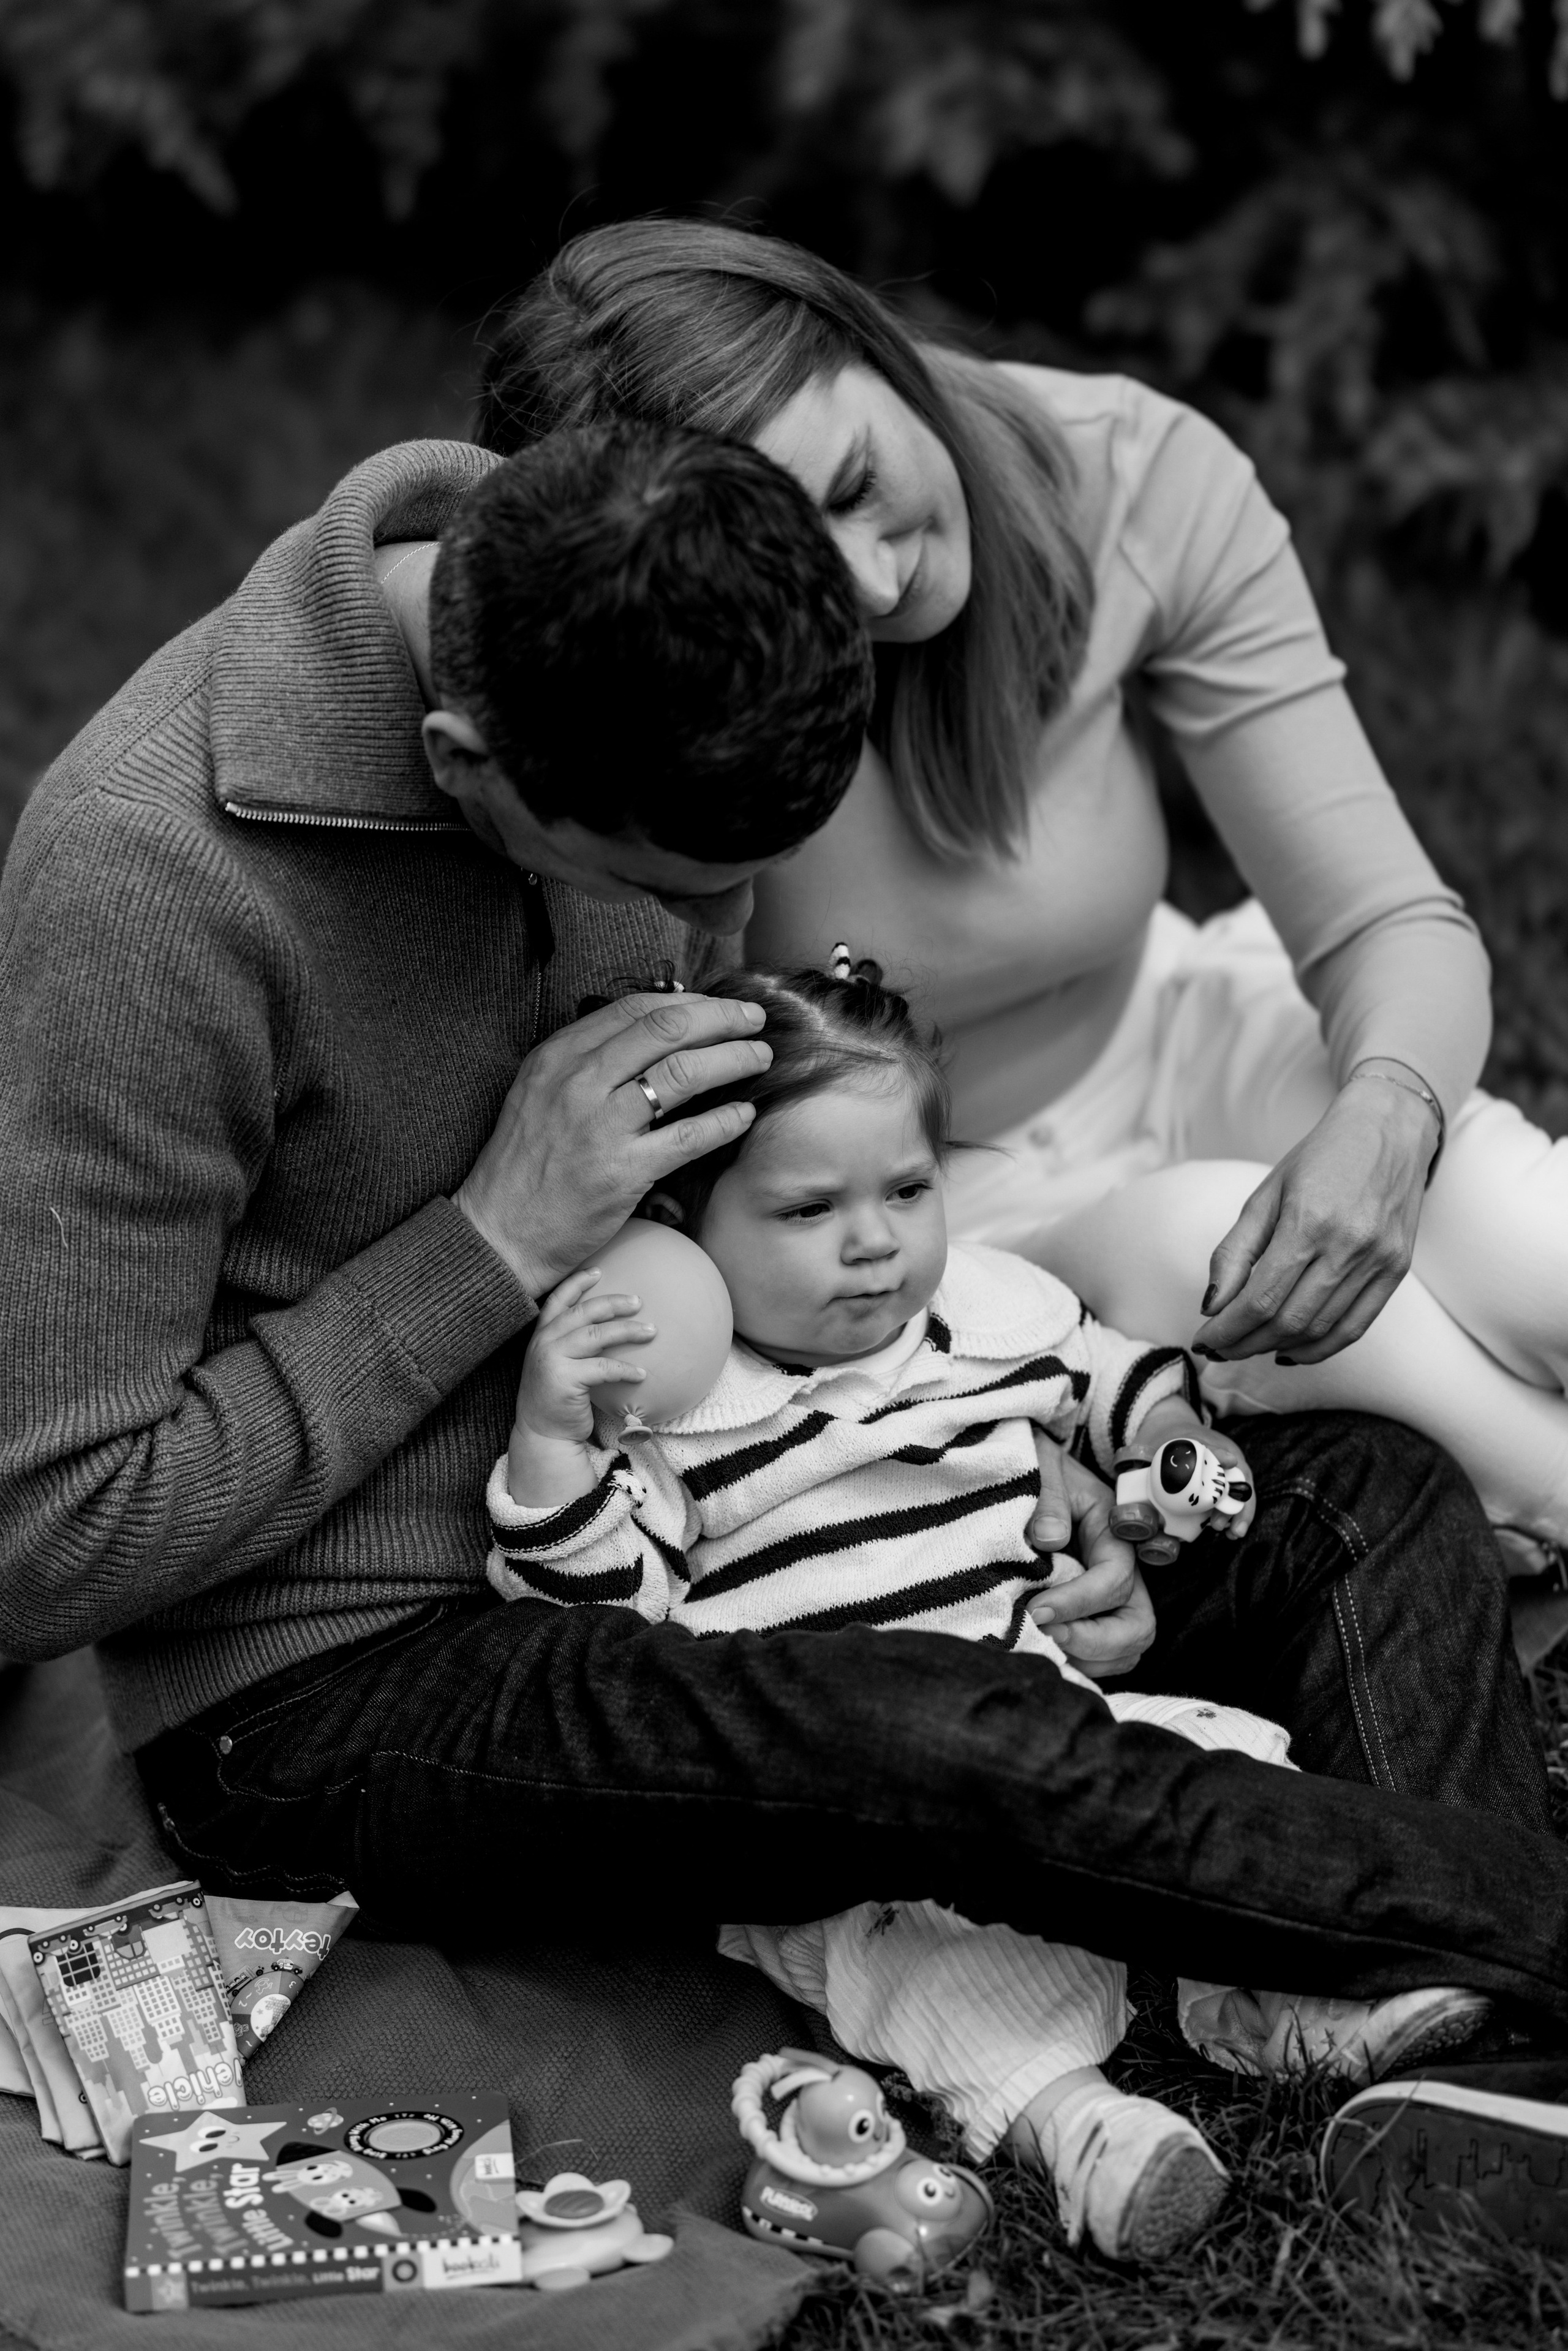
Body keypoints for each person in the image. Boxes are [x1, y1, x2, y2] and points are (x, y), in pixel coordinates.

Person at [2, 398, 1567, 2105]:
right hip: (352, 1668)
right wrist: (489, 1239)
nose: (719, 936)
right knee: (941, 1733)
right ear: (468, 769)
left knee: (1370, 1496)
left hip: (770, 1481)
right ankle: (1508, 1932)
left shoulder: (654, 628)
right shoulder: (146, 896)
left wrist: (1010, 1443)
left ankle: (1442, 2007)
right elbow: (47, 1533)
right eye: (673, 885)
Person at [475, 217, 1568, 1555]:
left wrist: (1387, 1123)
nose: (872, 581)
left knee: (1529, 1242)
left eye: (859, 480)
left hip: (1170, 1027)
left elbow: (1382, 917)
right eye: (803, 570)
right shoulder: (658, 689)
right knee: (1231, 1255)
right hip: (937, 1202)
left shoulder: (1130, 476)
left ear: (863, 335)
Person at [484, 954, 1491, 2262]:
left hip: (1062, 1728)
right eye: (804, 1209)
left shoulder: (986, 1316)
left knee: (1235, 1770)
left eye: (906, 1189)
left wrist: (1177, 1441)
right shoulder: (690, 1414)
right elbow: (601, 1626)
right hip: (857, 1823)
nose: (872, 1240)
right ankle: (1080, 2128)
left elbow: (1109, 1377)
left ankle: (1273, 1995)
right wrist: (555, 1439)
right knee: (944, 1974)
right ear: (684, 1226)